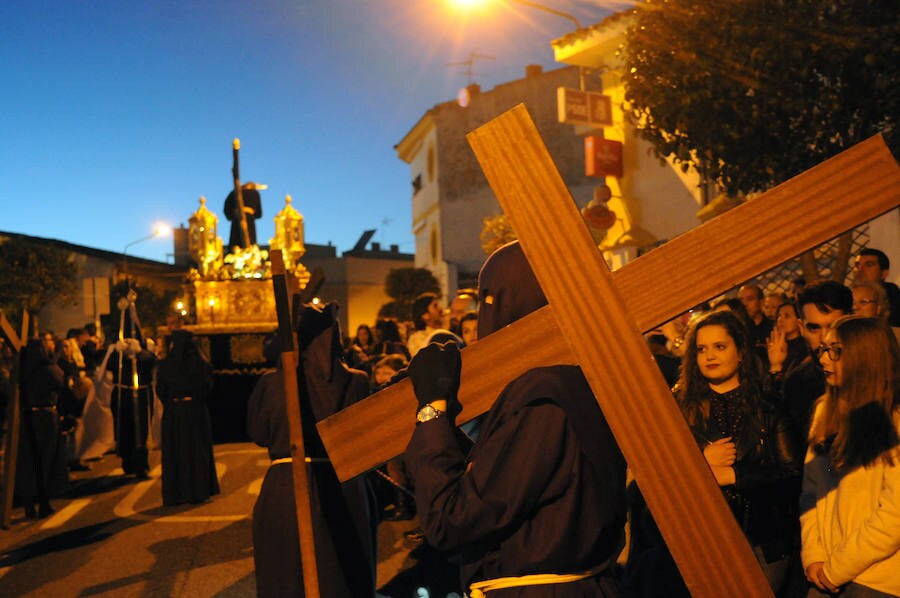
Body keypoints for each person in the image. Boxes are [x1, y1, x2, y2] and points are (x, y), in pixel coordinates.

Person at [404, 241, 626, 596]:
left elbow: (453, 518)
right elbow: (509, 475)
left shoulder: (544, 396)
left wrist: (432, 411)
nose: (483, 317)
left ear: (522, 298)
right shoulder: (575, 377)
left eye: (491, 299)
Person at [247, 304, 376, 597]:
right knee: (341, 574)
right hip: (343, 486)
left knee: (289, 575)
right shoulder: (356, 380)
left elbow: (259, 433)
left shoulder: (271, 382)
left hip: (287, 487)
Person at [679, 311, 802, 591]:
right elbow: (657, 472)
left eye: (719, 347)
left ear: (740, 352)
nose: (710, 356)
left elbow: (792, 474)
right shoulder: (680, 408)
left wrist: (733, 475)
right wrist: (701, 460)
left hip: (762, 537)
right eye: (701, 349)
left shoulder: (768, 406)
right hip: (702, 538)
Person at [800, 316, 900, 596]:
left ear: (864, 357)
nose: (824, 360)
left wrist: (837, 568)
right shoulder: (825, 412)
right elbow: (811, 491)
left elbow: (893, 516)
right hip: (824, 575)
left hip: (875, 579)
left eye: (836, 351)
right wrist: (814, 555)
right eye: (824, 349)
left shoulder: (893, 423)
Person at [155, 329, 219, 506]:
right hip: (195, 411)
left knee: (177, 452)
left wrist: (172, 402)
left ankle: (177, 493)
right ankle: (199, 490)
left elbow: (160, 389)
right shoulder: (200, 363)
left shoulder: (166, 364)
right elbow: (207, 386)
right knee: (196, 450)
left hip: (174, 412)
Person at [15, 333, 69, 518]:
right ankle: (43, 501)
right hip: (45, 417)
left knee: (30, 460)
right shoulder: (47, 369)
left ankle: (30, 504)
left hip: (28, 417)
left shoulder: (22, 369)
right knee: (45, 460)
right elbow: (60, 381)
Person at [852, 248, 900, 327]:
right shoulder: (845, 294)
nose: (860, 270)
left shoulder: (893, 296)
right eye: (857, 265)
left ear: (884, 273)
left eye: (869, 265)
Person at [223, 181, 263, 248]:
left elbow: (227, 209)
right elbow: (259, 214)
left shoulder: (233, 193)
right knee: (250, 241)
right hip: (249, 219)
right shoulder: (255, 193)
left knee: (235, 242)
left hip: (236, 219)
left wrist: (231, 215)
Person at [406, 292, 444, 357]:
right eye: (435, 306)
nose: (441, 308)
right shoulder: (417, 339)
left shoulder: (452, 328)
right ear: (425, 315)